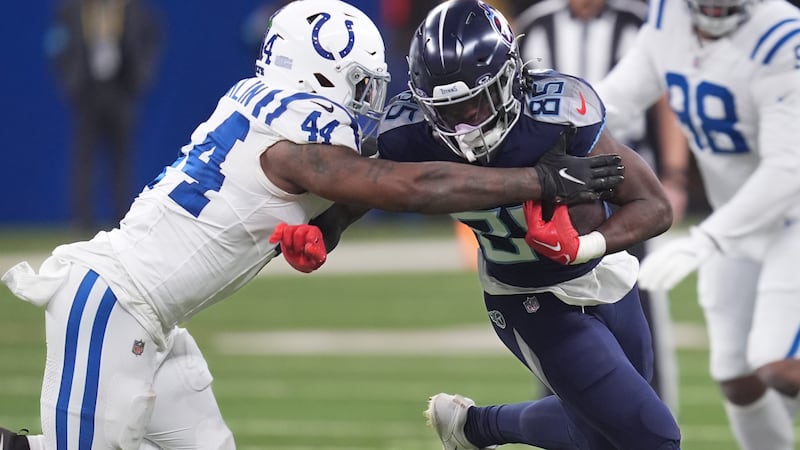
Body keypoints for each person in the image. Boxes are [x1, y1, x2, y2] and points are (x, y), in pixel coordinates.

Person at [0, 1, 625, 449]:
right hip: (114, 307)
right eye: (359, 82)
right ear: (322, 72)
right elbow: (408, 186)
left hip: (153, 319)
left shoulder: (255, 99)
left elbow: (363, 185)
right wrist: (539, 180)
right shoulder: (296, 137)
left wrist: (325, 231)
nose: (367, 97)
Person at [297, 1, 680, 448]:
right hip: (528, 298)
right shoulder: (411, 134)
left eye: (476, 102)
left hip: (607, 278)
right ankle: (477, 428)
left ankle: (472, 428)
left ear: (511, 79)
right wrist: (326, 229)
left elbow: (654, 206)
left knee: (599, 434)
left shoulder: (553, 117)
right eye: (449, 110)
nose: (465, 123)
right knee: (653, 435)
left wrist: (585, 245)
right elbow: (375, 184)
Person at [597, 0, 800, 448]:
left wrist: (706, 238)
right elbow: (615, 99)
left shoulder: (781, 33)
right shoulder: (669, 18)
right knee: (736, 377)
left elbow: (789, 168)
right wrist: (551, 132)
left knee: (779, 365)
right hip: (733, 217)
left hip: (792, 213)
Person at [514, 0, 689, 413]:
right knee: (555, 313)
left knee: (639, 313)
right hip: (557, 195)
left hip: (625, 188)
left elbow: (667, 96)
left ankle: (653, 420)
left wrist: (675, 174)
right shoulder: (535, 26)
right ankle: (566, 423)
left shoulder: (639, 21)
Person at [45, 0, 163, 234]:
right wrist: (70, 81)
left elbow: (152, 39)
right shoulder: (71, 10)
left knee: (122, 159)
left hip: (121, 90)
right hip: (87, 90)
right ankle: (82, 221)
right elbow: (56, 45)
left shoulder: (133, 9)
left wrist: (141, 75)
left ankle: (122, 218)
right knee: (84, 159)